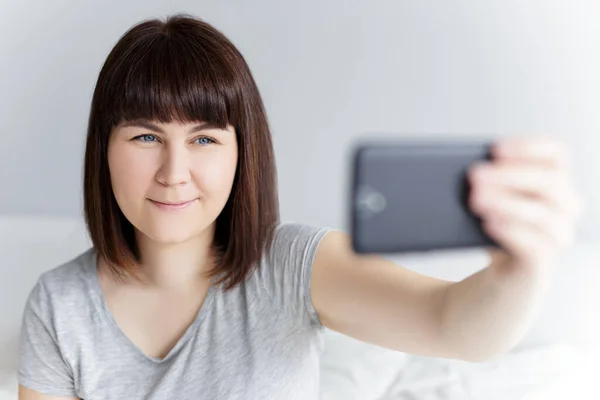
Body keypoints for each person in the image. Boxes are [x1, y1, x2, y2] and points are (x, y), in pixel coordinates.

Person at [17, 13, 583, 400]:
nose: (173, 172)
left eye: (205, 139)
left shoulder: (293, 265)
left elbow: (455, 327)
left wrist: (519, 268)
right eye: (145, 137)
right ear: (104, 151)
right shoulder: (60, 305)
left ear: (244, 154)